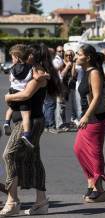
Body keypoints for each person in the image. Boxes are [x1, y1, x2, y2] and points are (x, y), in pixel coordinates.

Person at [1, 43, 61, 216]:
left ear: (31, 57)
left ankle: (12, 202)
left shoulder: (38, 74)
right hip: (30, 120)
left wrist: (9, 96)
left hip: (30, 121)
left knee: (9, 154)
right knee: (34, 160)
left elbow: (26, 94)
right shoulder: (31, 72)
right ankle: (41, 202)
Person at [74, 44, 105, 203]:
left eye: (78, 54)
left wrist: (87, 116)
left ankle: (99, 189)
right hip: (89, 116)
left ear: (87, 57)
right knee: (79, 149)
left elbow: (96, 98)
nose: (76, 56)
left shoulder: (94, 72)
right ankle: (91, 182)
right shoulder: (85, 71)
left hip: (96, 118)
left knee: (93, 152)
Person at [3, 44, 35, 148]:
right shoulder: (30, 68)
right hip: (22, 94)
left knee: (11, 108)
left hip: (12, 92)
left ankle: (7, 122)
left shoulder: (12, 69)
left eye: (12, 57)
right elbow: (35, 77)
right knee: (26, 116)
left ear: (17, 57)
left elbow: (11, 79)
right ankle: (26, 134)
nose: (12, 59)